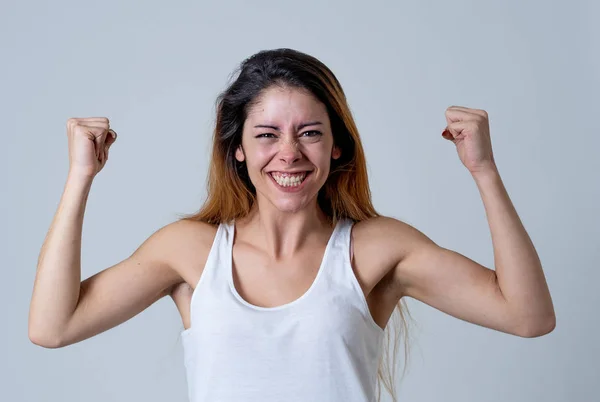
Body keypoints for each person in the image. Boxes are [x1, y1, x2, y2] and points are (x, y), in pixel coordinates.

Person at [29, 48, 556, 402]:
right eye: (266, 135)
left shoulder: (377, 249)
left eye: (309, 133)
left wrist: (483, 170)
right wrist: (81, 176)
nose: (289, 154)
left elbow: (527, 316)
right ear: (236, 149)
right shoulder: (189, 251)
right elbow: (52, 328)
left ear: (336, 145)